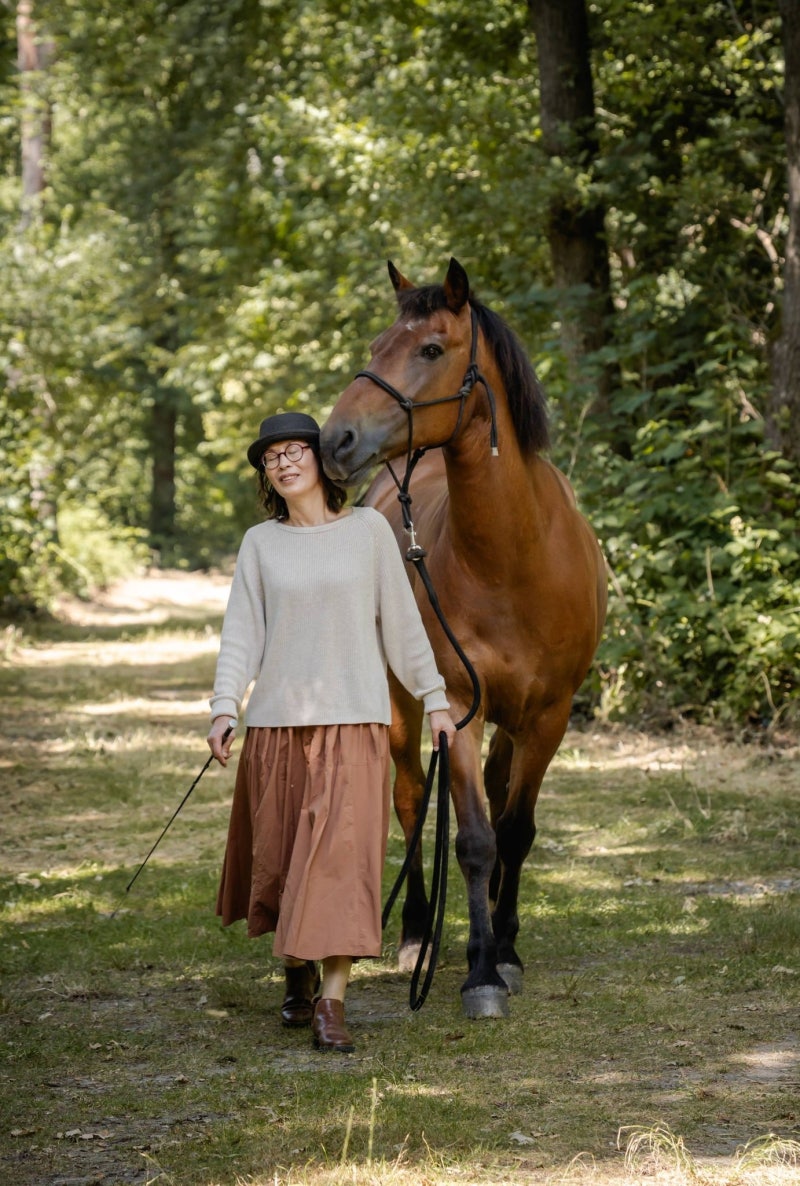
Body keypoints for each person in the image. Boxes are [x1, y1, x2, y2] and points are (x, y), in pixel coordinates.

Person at [207, 411, 457, 1054]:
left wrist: (434, 699)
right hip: (278, 728)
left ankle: (331, 1003)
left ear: (319, 460)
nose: (285, 462)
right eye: (272, 457)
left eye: (295, 451)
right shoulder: (260, 544)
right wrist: (224, 706)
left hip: (356, 723)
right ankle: (296, 973)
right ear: (266, 475)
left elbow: (402, 625)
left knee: (343, 865)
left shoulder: (370, 531)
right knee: (287, 860)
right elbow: (243, 632)